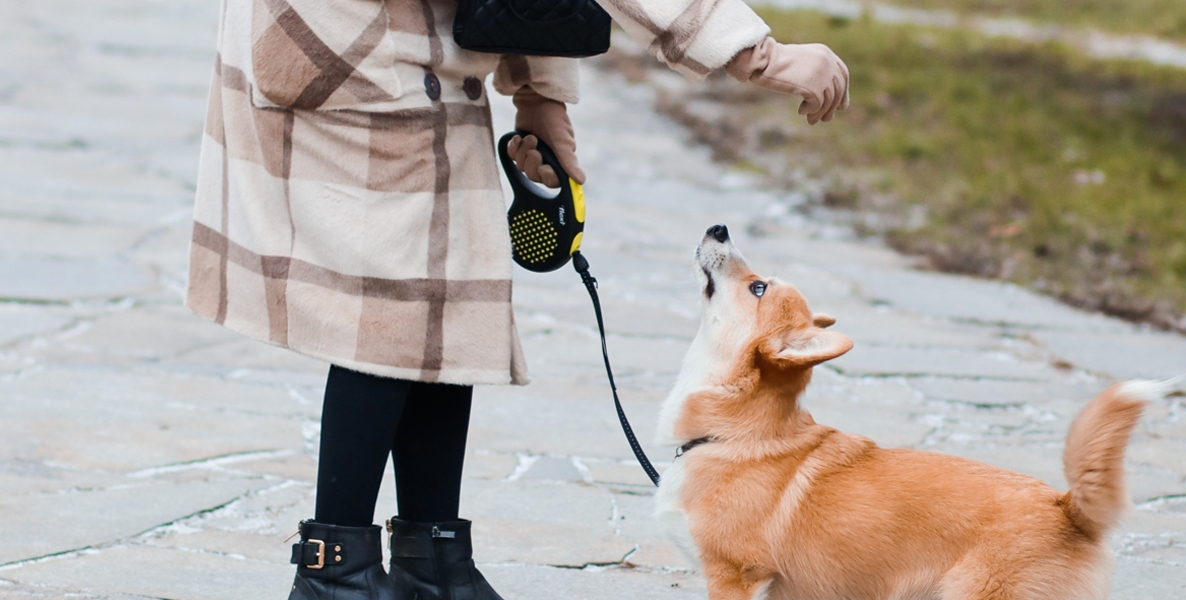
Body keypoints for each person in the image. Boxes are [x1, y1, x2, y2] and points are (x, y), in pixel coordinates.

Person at [185, 0, 849, 598]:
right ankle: (334, 574)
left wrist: (539, 93)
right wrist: (758, 52)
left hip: (395, 34)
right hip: (349, 42)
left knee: (447, 285)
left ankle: (432, 562)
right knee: (390, 300)